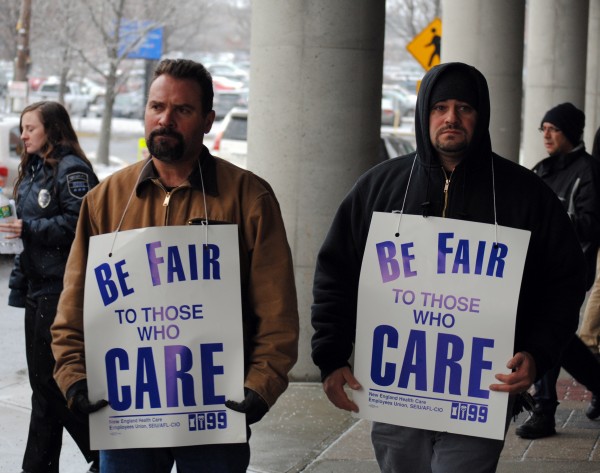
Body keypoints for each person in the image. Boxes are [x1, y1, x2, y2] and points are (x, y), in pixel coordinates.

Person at [311, 62, 586, 472]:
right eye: (439, 107)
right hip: (397, 395)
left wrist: (538, 352)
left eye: (463, 108)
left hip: (480, 396)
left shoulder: (525, 195)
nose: (451, 118)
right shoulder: (378, 188)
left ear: (482, 115)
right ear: (424, 114)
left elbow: (564, 283)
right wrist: (331, 357)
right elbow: (336, 274)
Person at [50, 59, 299, 472]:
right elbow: (73, 307)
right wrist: (73, 377)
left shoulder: (249, 198)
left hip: (216, 414)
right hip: (127, 416)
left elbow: (278, 313)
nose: (165, 119)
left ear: (207, 120)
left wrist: (261, 386)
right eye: (156, 106)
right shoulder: (105, 199)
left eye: (182, 110)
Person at [0, 101, 100, 473]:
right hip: (37, 286)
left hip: (61, 289)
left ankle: (103, 452)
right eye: (22, 128)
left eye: (30, 128)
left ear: (52, 129)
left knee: (51, 385)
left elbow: (81, 223)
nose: (22, 135)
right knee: (43, 389)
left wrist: (29, 229)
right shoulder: (36, 168)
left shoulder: (72, 170)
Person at [515, 105, 600, 439]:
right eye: (543, 129)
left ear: (571, 132)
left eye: (554, 129)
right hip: (537, 269)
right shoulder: (543, 169)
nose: (547, 135)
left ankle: (544, 412)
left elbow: (593, 225)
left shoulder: (589, 171)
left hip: (569, 270)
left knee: (545, 333)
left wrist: (555, 222)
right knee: (560, 339)